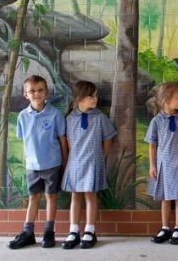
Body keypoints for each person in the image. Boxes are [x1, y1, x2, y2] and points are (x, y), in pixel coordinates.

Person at [7, 75, 68, 249]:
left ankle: (49, 232)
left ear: (46, 92)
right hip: (32, 166)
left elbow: (63, 139)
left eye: (40, 90)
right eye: (32, 91)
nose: (36, 93)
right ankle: (28, 233)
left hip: (52, 164)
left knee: (50, 196)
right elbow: (24, 140)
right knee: (33, 197)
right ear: (26, 94)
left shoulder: (55, 114)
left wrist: (64, 162)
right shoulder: (22, 116)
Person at [61, 80, 117, 249]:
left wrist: (102, 155)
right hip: (75, 162)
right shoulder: (69, 118)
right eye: (91, 96)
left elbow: (108, 138)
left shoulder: (100, 118)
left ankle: (90, 231)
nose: (95, 99)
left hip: (93, 162)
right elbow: (68, 141)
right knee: (75, 196)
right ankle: (73, 231)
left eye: (96, 96)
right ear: (79, 98)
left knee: (91, 196)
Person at [146, 83, 178, 245]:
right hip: (163, 164)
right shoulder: (157, 121)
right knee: (165, 198)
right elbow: (152, 145)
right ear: (166, 100)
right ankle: (165, 228)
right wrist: (152, 165)